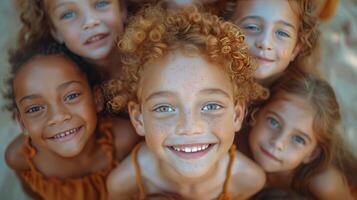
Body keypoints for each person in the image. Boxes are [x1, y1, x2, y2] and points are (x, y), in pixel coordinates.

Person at [106, 4, 267, 199]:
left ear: (237, 114)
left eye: (211, 106)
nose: (190, 128)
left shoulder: (248, 180)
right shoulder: (125, 185)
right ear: (138, 119)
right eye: (164, 107)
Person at [3, 43, 139, 200]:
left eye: (71, 96)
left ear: (96, 99)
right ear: (22, 123)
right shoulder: (20, 159)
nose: (58, 117)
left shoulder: (125, 139)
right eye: (34, 109)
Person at [247, 68, 357, 199]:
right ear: (255, 115)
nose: (278, 143)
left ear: (312, 154)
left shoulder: (324, 184)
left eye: (298, 139)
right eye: (273, 122)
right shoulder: (234, 147)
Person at [13, 0, 126, 78]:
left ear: (122, 9)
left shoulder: (144, 58)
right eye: (68, 14)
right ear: (54, 31)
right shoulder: (63, 86)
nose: (90, 22)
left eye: (101, 3)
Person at [232, 0, 319, 85]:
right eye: (252, 27)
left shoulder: (303, 96)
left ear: (295, 49)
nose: (265, 43)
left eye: (282, 33)